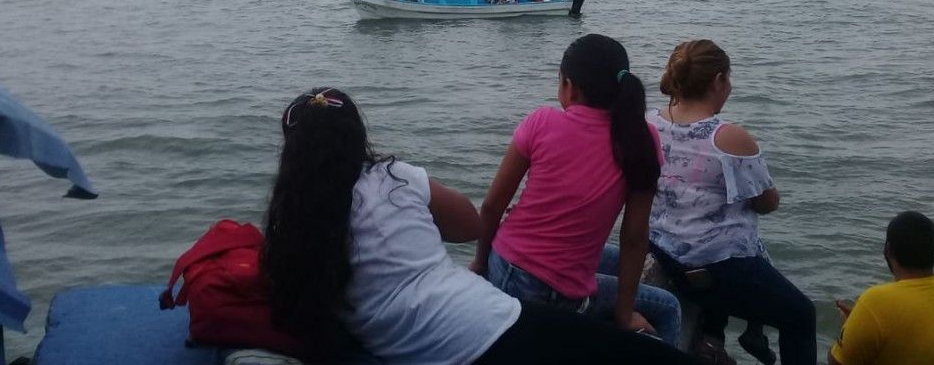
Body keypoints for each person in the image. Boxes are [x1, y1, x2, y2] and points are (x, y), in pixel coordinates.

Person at [260, 87, 701, 365]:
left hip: (446, 340)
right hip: (488, 320)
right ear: (357, 138)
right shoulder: (394, 178)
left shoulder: (291, 231)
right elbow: (471, 224)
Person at [472, 34, 683, 345]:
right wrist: (625, 314)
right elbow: (635, 236)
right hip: (557, 288)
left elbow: (492, 206)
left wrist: (479, 262)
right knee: (668, 307)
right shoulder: (642, 138)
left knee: (623, 272)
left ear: (569, 86)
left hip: (507, 269)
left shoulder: (541, 121)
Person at [647, 39, 815, 365]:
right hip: (718, 273)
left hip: (667, 255)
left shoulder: (648, 122)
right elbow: (767, 203)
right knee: (802, 315)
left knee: (723, 227)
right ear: (719, 80)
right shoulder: (729, 137)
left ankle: (719, 337)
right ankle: (752, 331)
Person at [829, 211, 934, 365]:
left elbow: (836, 363)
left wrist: (847, 329)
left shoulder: (876, 301)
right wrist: (863, 324)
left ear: (889, 250)